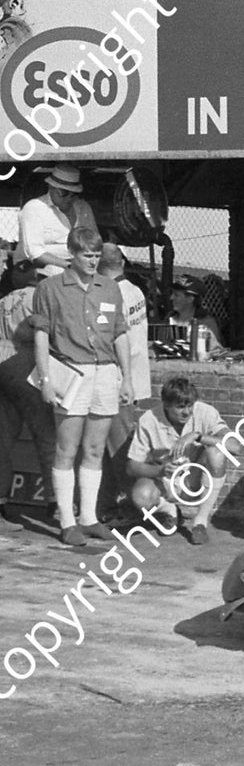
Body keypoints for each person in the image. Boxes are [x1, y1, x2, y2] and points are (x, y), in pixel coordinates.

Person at [31, 227, 133, 545]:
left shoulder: (110, 288)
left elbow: (120, 333)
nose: (92, 261)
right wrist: (46, 380)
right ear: (72, 254)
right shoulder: (49, 288)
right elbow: (41, 336)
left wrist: (126, 378)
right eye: (86, 255)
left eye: (96, 255)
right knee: (66, 448)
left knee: (94, 449)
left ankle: (89, 518)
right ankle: (67, 521)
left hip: (105, 372)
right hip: (71, 372)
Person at [127, 377, 228, 545]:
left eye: (190, 405)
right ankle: (168, 510)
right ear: (166, 405)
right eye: (180, 407)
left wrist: (197, 436)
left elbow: (235, 445)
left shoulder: (205, 412)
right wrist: (161, 470)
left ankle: (200, 523)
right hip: (165, 481)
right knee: (140, 497)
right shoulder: (148, 420)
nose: (187, 412)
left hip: (195, 478)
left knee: (217, 452)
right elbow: (131, 466)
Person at [98, 245, 151, 521]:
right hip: (132, 376)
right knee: (109, 447)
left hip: (119, 378)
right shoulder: (135, 290)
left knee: (120, 448)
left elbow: (111, 339)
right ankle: (107, 505)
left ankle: (134, 508)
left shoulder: (112, 293)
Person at [0, 256, 50, 531]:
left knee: (2, 439)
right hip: (27, 363)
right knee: (46, 435)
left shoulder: (4, 300)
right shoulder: (39, 297)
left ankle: (1, 504)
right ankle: (56, 501)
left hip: (2, 360)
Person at [19, 165, 99, 279]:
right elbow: (35, 253)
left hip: (77, 264)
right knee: (62, 276)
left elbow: (93, 242)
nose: (69, 198)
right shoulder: (34, 208)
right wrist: (67, 265)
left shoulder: (83, 207)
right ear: (51, 187)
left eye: (74, 194)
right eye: (64, 193)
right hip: (34, 267)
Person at [168, 275, 225, 358]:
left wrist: (206, 355)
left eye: (176, 295)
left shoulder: (206, 323)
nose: (171, 298)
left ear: (190, 299)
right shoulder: (169, 319)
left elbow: (217, 352)